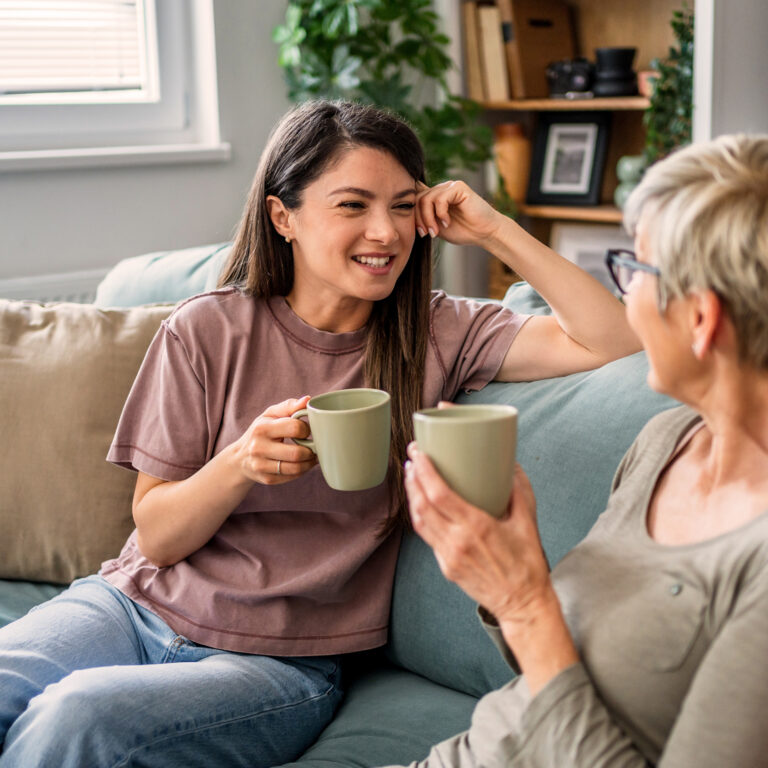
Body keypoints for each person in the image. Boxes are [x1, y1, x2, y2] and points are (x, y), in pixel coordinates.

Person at [0, 100, 638, 768]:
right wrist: (240, 464)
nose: (384, 232)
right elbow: (156, 537)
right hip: (130, 607)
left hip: (280, 664)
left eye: (402, 206)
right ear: (284, 218)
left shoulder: (438, 332)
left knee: (76, 719)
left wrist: (496, 230)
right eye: (353, 205)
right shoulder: (204, 330)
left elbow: (616, 341)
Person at [397, 133, 768, 768]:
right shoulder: (667, 443)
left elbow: (541, 638)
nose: (626, 297)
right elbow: (556, 670)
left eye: (635, 271)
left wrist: (522, 600)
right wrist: (504, 569)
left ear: (701, 320)